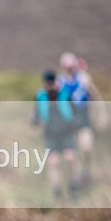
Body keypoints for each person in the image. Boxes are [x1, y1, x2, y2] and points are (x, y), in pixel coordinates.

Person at [57, 52, 102, 186]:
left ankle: (86, 171)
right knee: (72, 151)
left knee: (86, 146)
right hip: (69, 119)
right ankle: (74, 179)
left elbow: (95, 96)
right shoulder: (61, 81)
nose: (69, 68)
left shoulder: (83, 78)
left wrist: (100, 115)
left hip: (84, 117)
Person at [34, 69, 79, 201]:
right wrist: (35, 120)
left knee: (70, 158)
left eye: (52, 82)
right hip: (50, 134)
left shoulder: (65, 95)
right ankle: (56, 190)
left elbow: (75, 111)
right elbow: (37, 114)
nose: (50, 85)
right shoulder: (41, 97)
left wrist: (76, 122)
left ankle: (72, 185)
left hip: (66, 132)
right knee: (54, 162)